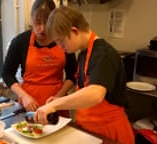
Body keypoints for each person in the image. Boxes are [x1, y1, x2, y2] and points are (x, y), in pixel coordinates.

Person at [33, 6, 135, 144]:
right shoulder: (83, 53)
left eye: (61, 41)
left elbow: (95, 94)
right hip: (88, 130)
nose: (60, 47)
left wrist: (56, 104)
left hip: (108, 132)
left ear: (74, 31)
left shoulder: (103, 55)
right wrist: (58, 100)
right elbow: (83, 92)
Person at [2, 0, 77, 113]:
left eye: (46, 23)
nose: (42, 28)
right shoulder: (20, 42)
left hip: (57, 105)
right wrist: (24, 96)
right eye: (38, 23)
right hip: (29, 106)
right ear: (31, 19)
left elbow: (73, 74)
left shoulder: (63, 40)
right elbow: (7, 74)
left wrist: (58, 98)